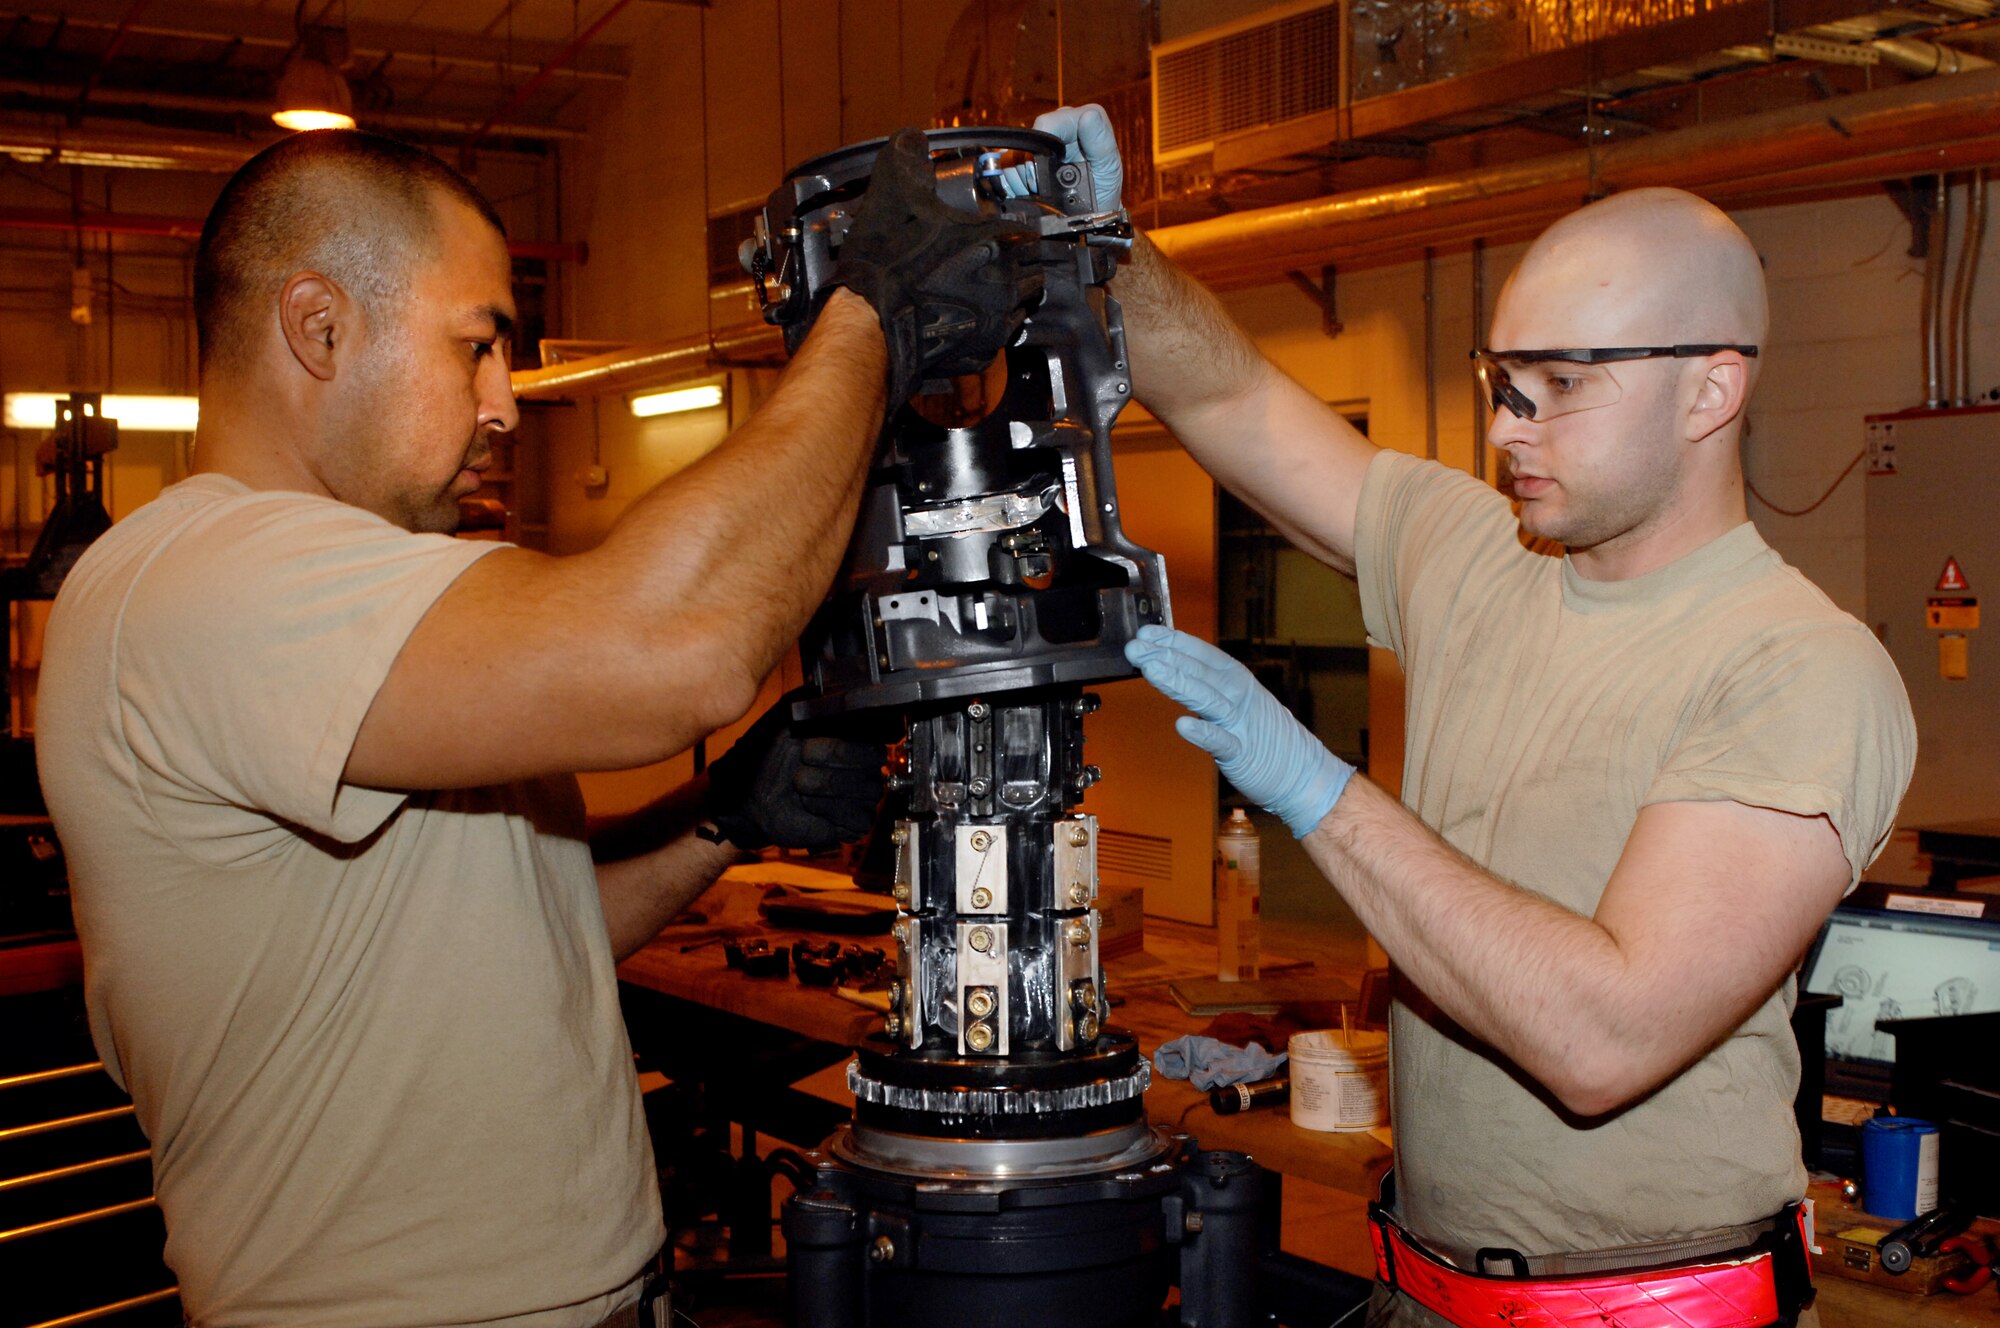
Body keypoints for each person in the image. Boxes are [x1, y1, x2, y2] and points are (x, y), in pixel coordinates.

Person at [34, 127, 1036, 1328]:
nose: (505, 403)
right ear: (319, 326)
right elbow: (679, 650)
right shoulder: (204, 577)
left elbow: (538, 930)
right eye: (476, 344)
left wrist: (722, 818)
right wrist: (868, 318)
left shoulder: (378, 608)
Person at [1028, 109, 1915, 1326]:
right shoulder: (1472, 551)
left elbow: (1602, 1040)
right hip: (1417, 1284)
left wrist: (1321, 793)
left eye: (1560, 386)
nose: (1505, 427)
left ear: (1712, 390)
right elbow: (1232, 398)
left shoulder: (1797, 665)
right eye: (1500, 383)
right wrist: (1104, 243)